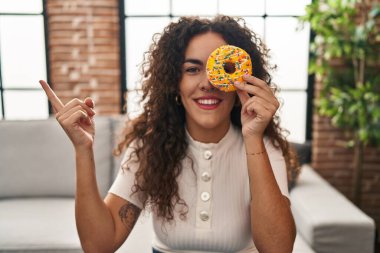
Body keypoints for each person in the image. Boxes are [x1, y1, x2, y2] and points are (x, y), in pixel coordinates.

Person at [40, 15, 298, 253]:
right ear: (174, 83)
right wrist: (82, 150)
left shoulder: (264, 148)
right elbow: (98, 245)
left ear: (243, 80)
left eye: (221, 69)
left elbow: (278, 249)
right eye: (192, 69)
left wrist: (253, 138)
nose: (207, 83)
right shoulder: (149, 147)